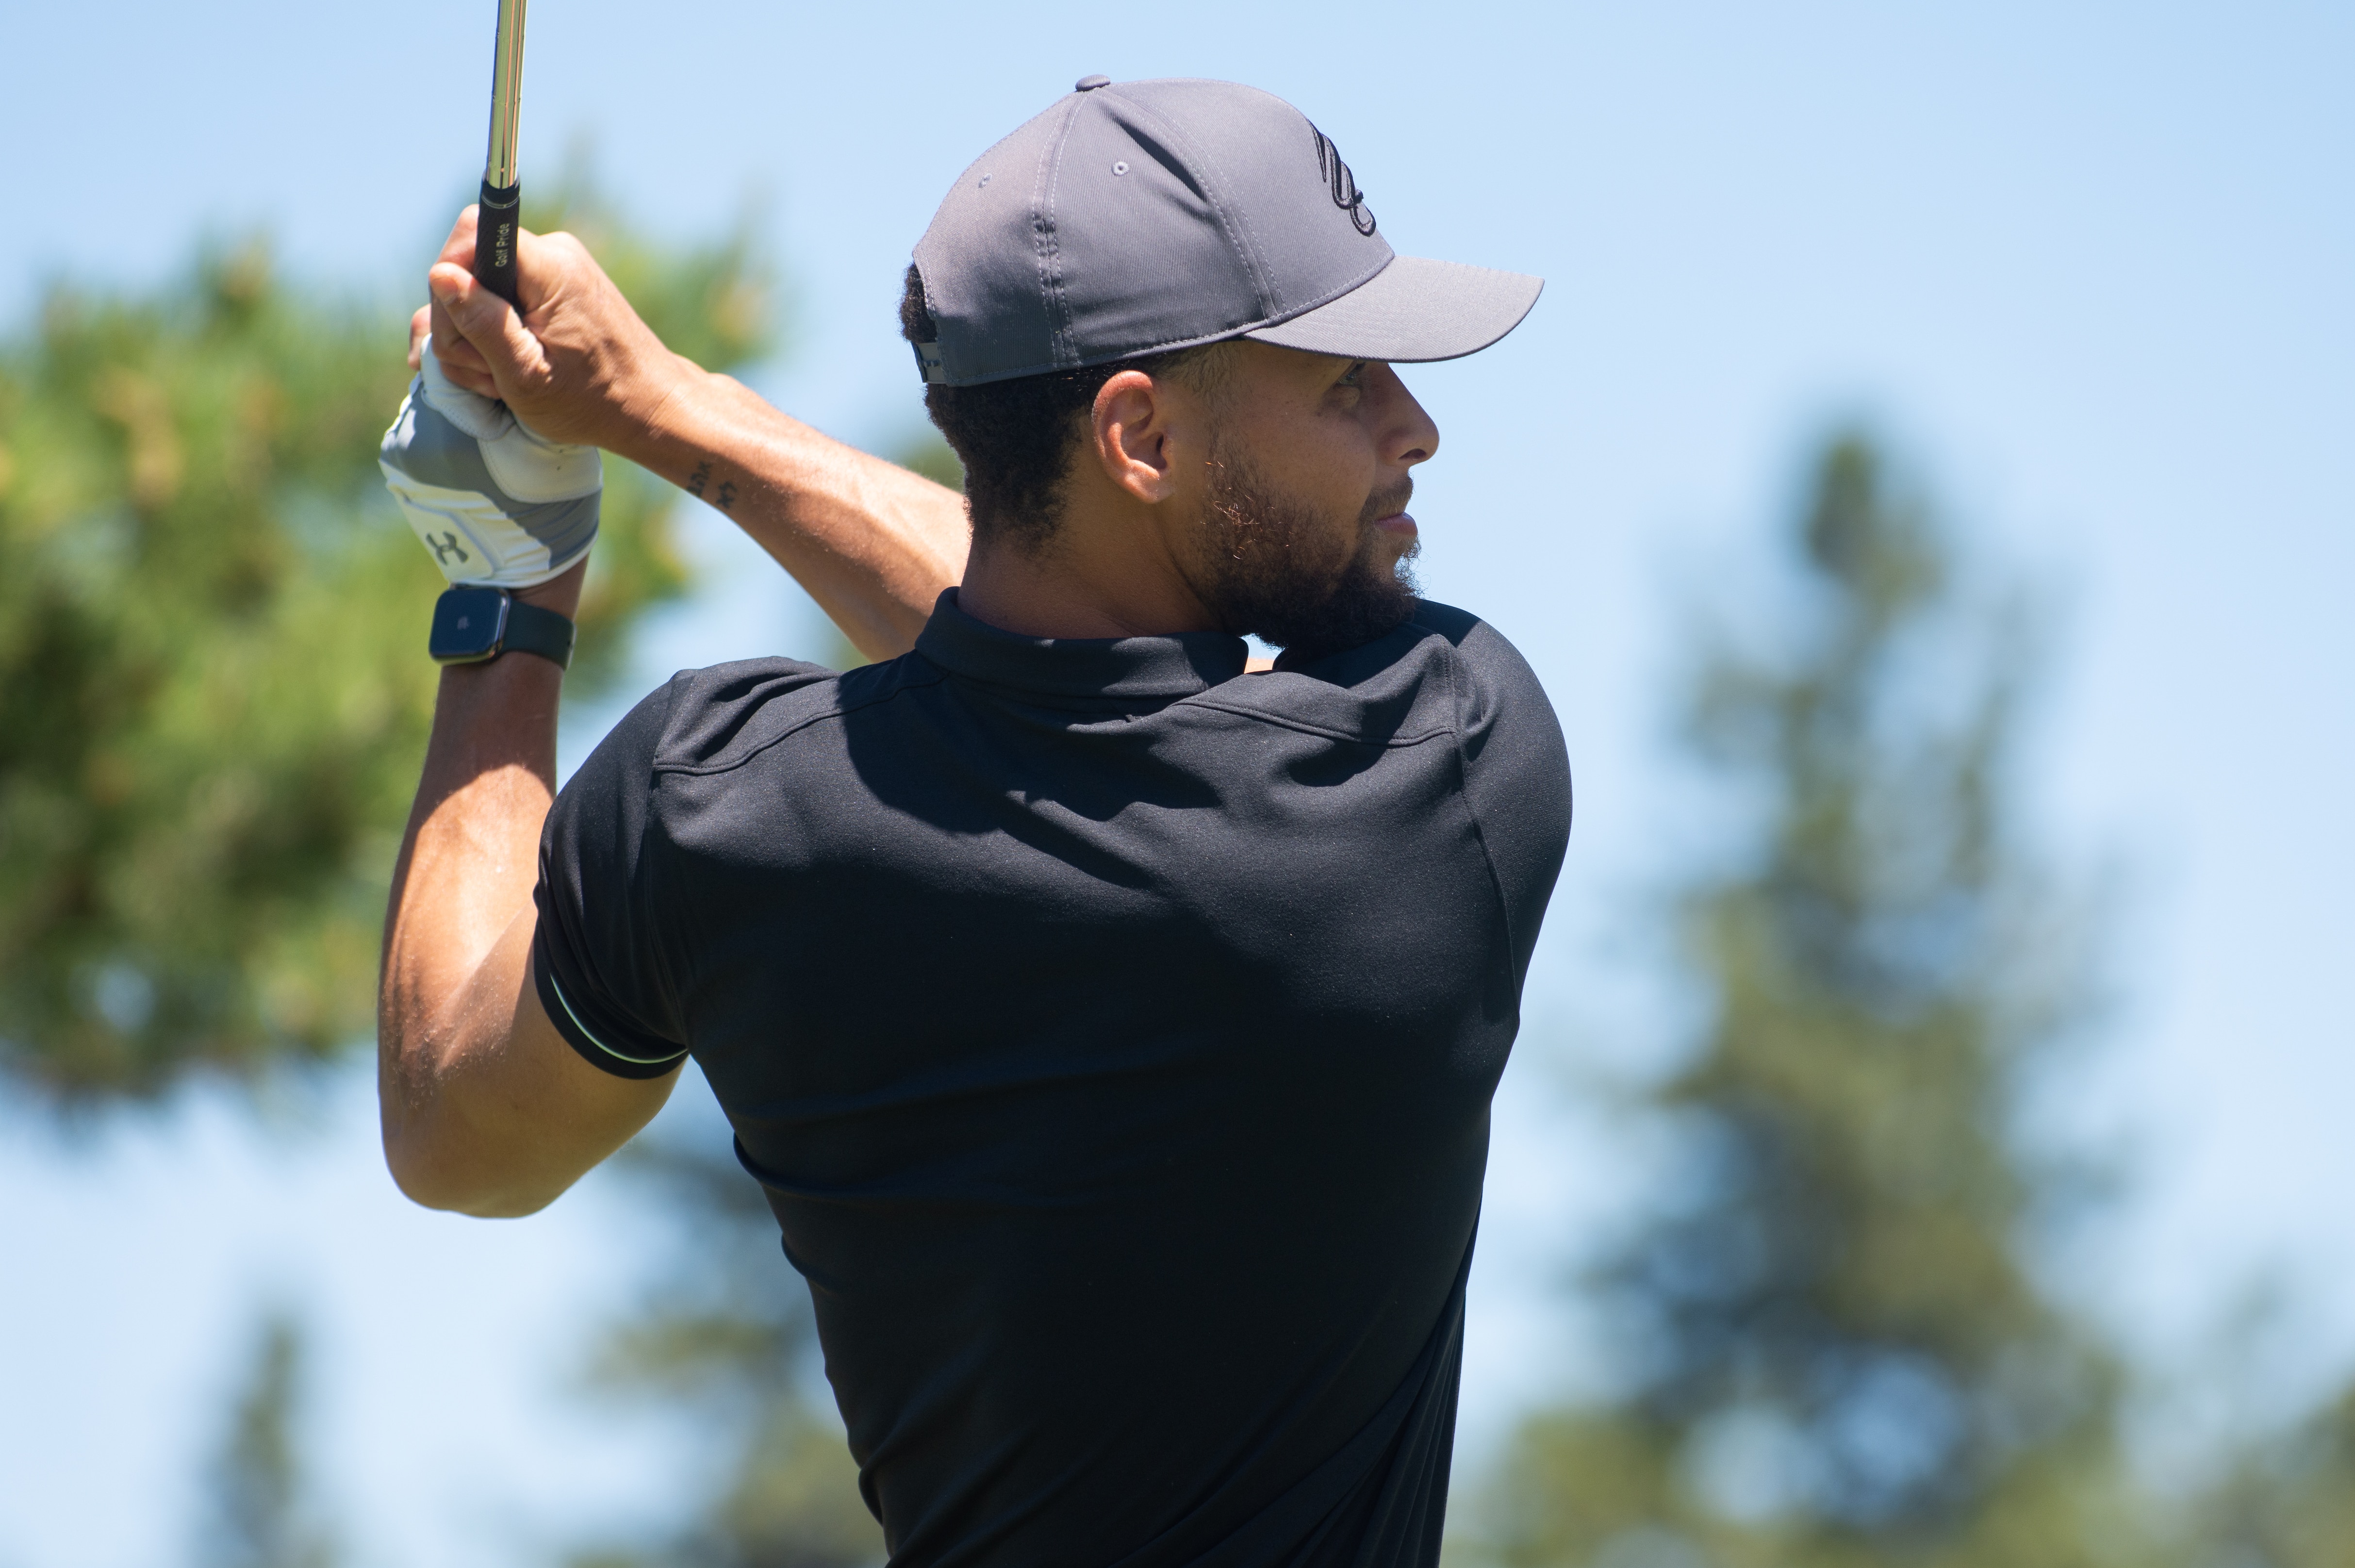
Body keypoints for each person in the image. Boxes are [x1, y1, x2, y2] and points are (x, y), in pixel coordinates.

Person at [378, 77, 1570, 1568]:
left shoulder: (728, 810)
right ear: (1137, 437)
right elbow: (1084, 683)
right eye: (1346, 383)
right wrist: (670, 407)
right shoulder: (1446, 764)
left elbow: (454, 1132)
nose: (1417, 428)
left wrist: (514, 567)